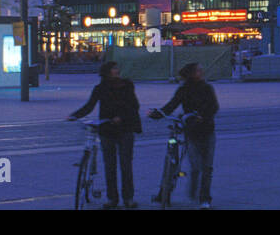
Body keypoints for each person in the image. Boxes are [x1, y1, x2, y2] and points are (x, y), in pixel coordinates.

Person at [68, 61, 143, 209]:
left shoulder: (126, 85)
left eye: (117, 68)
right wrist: (75, 115)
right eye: (114, 68)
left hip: (125, 128)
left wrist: (121, 117)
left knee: (125, 165)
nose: (117, 70)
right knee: (110, 166)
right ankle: (112, 199)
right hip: (107, 129)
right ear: (107, 72)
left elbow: (134, 105)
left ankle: (128, 198)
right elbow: (90, 105)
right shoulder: (100, 88)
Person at [149, 62, 219, 209]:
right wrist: (157, 114)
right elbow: (171, 105)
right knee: (196, 166)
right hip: (192, 131)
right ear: (192, 74)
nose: (202, 72)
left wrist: (202, 116)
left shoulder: (207, 88)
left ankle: (204, 198)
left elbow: (214, 107)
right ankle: (194, 192)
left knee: (207, 167)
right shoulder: (184, 90)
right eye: (199, 70)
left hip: (207, 130)